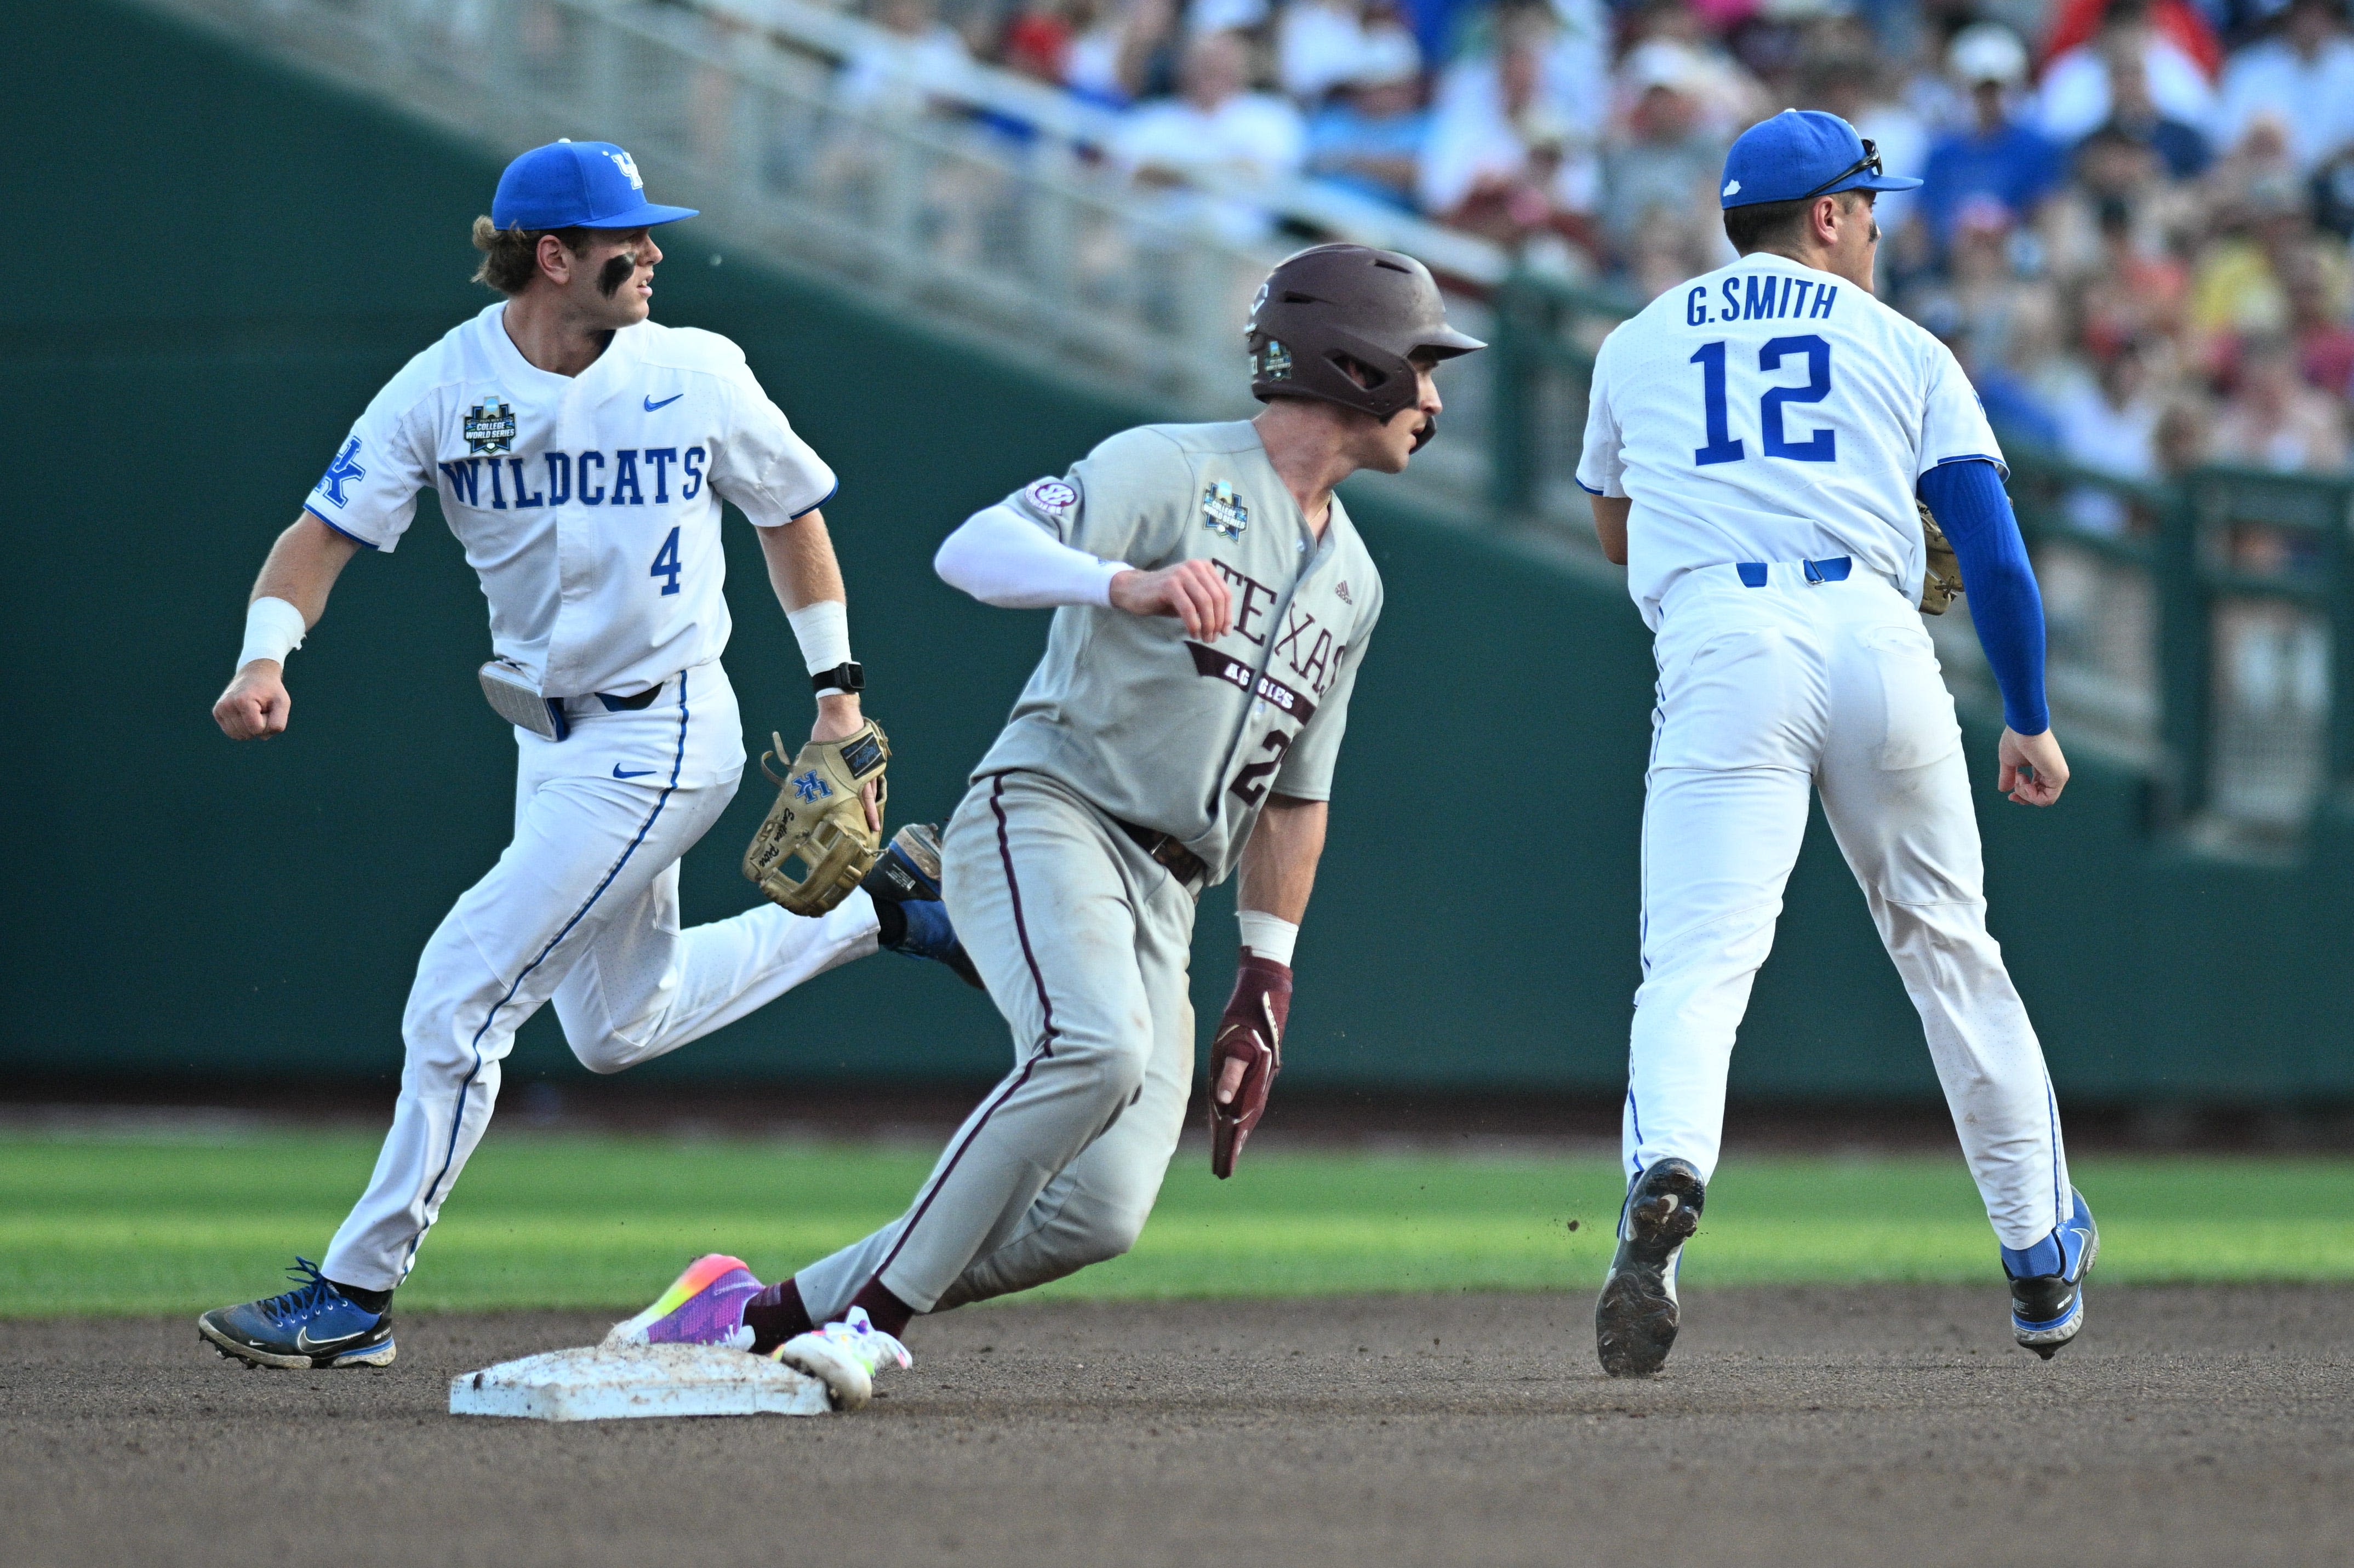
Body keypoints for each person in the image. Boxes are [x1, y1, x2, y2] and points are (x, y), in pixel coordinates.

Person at [604, 244, 1484, 1411]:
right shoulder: (1168, 466)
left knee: (1100, 1213)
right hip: (1053, 810)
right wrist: (1120, 582)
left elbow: (1298, 794)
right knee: (1095, 1051)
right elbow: (970, 550)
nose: (1434, 396)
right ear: (1354, 358)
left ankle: (751, 1313)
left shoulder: (1356, 579)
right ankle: (871, 1322)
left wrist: (1263, 979)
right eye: (1422, 363)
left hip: (1171, 893)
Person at [195, 141, 974, 1373]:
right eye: (628, 238)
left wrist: (837, 696)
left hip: (669, 727)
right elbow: (318, 536)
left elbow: (790, 516)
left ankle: (356, 1290)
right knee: (620, 1026)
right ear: (553, 258)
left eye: (651, 232)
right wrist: (264, 655)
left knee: (462, 990)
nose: (653, 251)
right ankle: (884, 910)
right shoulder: (442, 389)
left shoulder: (698, 370)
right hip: (549, 744)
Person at [1576, 111, 2097, 1377]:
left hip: (1718, 642)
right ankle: (2038, 1259)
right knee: (1949, 946)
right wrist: (2026, 716)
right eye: (1867, 206)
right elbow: (1996, 556)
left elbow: (1616, 533)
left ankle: (1669, 1177)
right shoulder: (1904, 344)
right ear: (1826, 216)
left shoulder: (1637, 343)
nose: (1874, 226)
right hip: (1873, 637)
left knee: (1697, 965)